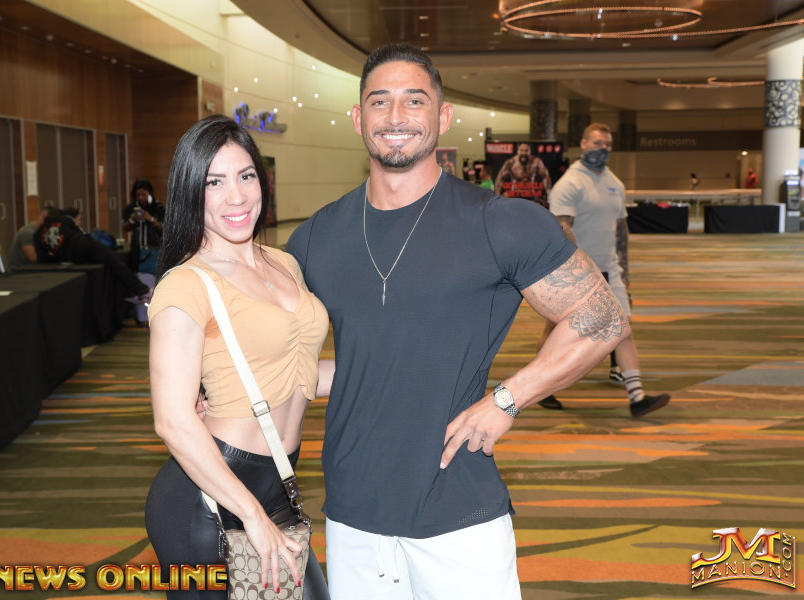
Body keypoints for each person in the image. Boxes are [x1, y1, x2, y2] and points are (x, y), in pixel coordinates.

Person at [286, 43, 629, 599]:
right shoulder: (316, 237)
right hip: (352, 510)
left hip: (460, 513)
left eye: (414, 100)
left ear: (442, 116)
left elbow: (603, 318)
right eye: (379, 101)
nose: (395, 116)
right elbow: (310, 362)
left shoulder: (500, 222)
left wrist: (508, 400)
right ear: (358, 118)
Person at [144, 115, 332, 599]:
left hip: (279, 483)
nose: (237, 196)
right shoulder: (185, 285)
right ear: (191, 192)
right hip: (209, 496)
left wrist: (397, 368)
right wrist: (250, 514)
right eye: (215, 182)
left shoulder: (283, 263)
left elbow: (299, 372)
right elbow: (172, 421)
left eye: (246, 176)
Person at [538, 123, 671, 417]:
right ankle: (541, 387)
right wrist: (580, 268)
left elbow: (620, 229)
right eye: (597, 143)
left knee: (623, 329)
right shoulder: (570, 183)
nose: (603, 149)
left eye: (607, 145)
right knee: (558, 330)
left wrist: (624, 268)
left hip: (610, 268)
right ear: (584, 144)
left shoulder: (615, 183)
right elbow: (562, 227)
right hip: (577, 271)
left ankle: (637, 397)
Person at [34, 207, 150, 300]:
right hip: (84, 244)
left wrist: (59, 258)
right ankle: (140, 289)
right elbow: (79, 232)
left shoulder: (39, 232)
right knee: (115, 260)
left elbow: (42, 256)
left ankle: (133, 291)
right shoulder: (64, 219)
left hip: (72, 257)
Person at [123, 179, 164, 273]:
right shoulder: (131, 207)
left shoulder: (158, 207)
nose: (140, 197)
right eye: (138, 195)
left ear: (149, 193)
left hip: (155, 250)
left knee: (155, 275)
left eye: (143, 194)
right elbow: (126, 228)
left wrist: (150, 218)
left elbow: (163, 227)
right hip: (136, 249)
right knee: (138, 275)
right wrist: (133, 219)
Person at [494, 142, 553, 208]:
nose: (524, 153)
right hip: (515, 196)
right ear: (517, 151)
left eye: (526, 150)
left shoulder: (536, 162)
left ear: (530, 151)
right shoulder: (511, 162)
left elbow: (545, 176)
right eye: (521, 150)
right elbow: (500, 179)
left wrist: (549, 198)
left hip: (531, 196)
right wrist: (497, 199)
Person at [8, 204, 54, 269]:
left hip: (30, 268)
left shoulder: (39, 231)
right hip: (20, 270)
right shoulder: (28, 232)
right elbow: (33, 257)